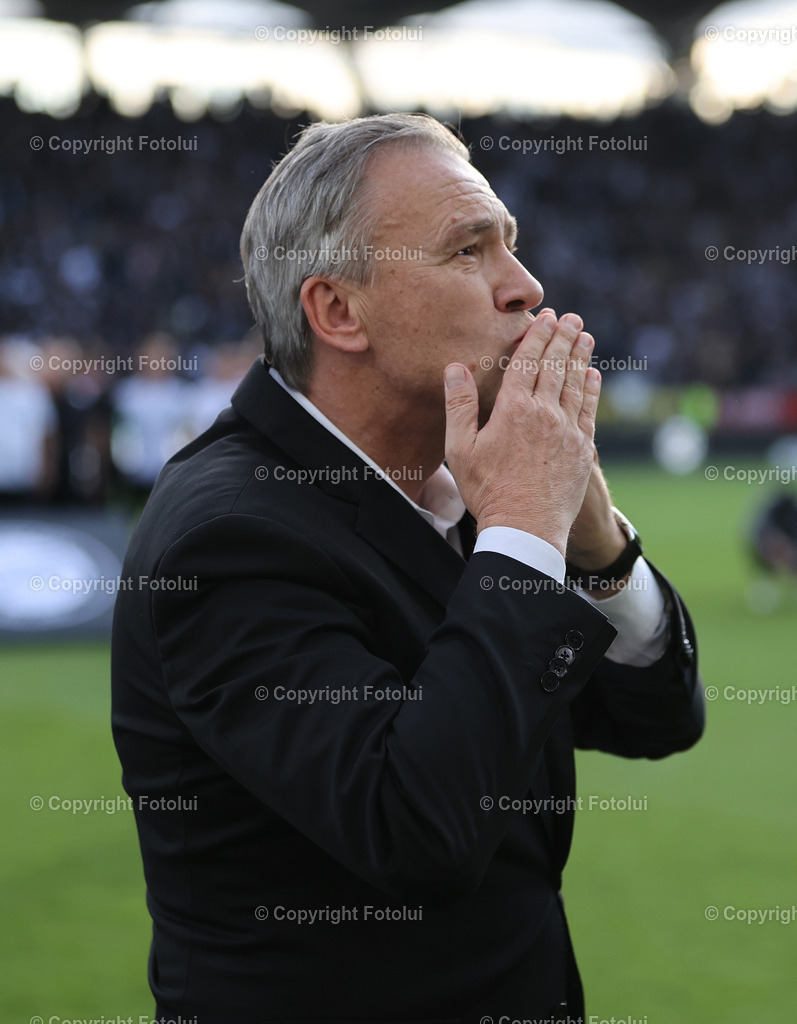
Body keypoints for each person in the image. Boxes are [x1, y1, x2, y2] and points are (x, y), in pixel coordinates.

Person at [111, 113, 704, 1023]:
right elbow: (413, 824)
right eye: (468, 250)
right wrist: (518, 529)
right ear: (338, 312)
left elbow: (656, 718)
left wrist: (592, 548)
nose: (526, 286)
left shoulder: (450, 482)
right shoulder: (226, 538)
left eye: (510, 242)